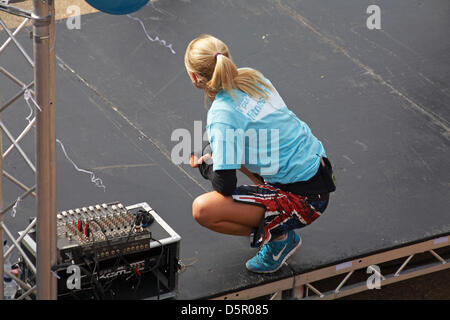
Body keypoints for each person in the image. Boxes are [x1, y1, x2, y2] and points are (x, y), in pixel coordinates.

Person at [185, 34, 336, 273]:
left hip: (306, 202)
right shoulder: (251, 76)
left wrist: (207, 166)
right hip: (319, 169)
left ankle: (279, 239)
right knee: (231, 146)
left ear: (194, 77)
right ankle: (272, 217)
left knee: (203, 210)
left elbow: (224, 186)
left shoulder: (221, 114)